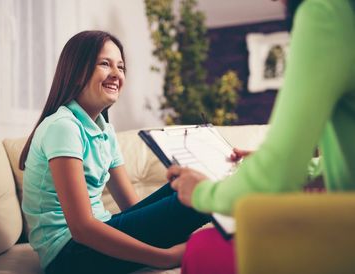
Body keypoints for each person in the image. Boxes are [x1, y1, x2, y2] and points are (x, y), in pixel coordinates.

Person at [167, 0, 355, 273]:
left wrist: (202, 193)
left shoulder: (327, 13)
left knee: (202, 248)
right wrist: (300, 163)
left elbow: (276, 176)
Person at [19, 30, 210, 274]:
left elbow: (133, 208)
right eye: (105, 64)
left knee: (188, 185)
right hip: (68, 255)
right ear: (77, 72)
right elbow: (81, 228)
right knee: (199, 196)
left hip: (97, 233)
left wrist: (163, 225)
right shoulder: (63, 127)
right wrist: (163, 257)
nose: (116, 74)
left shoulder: (104, 130)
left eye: (121, 67)